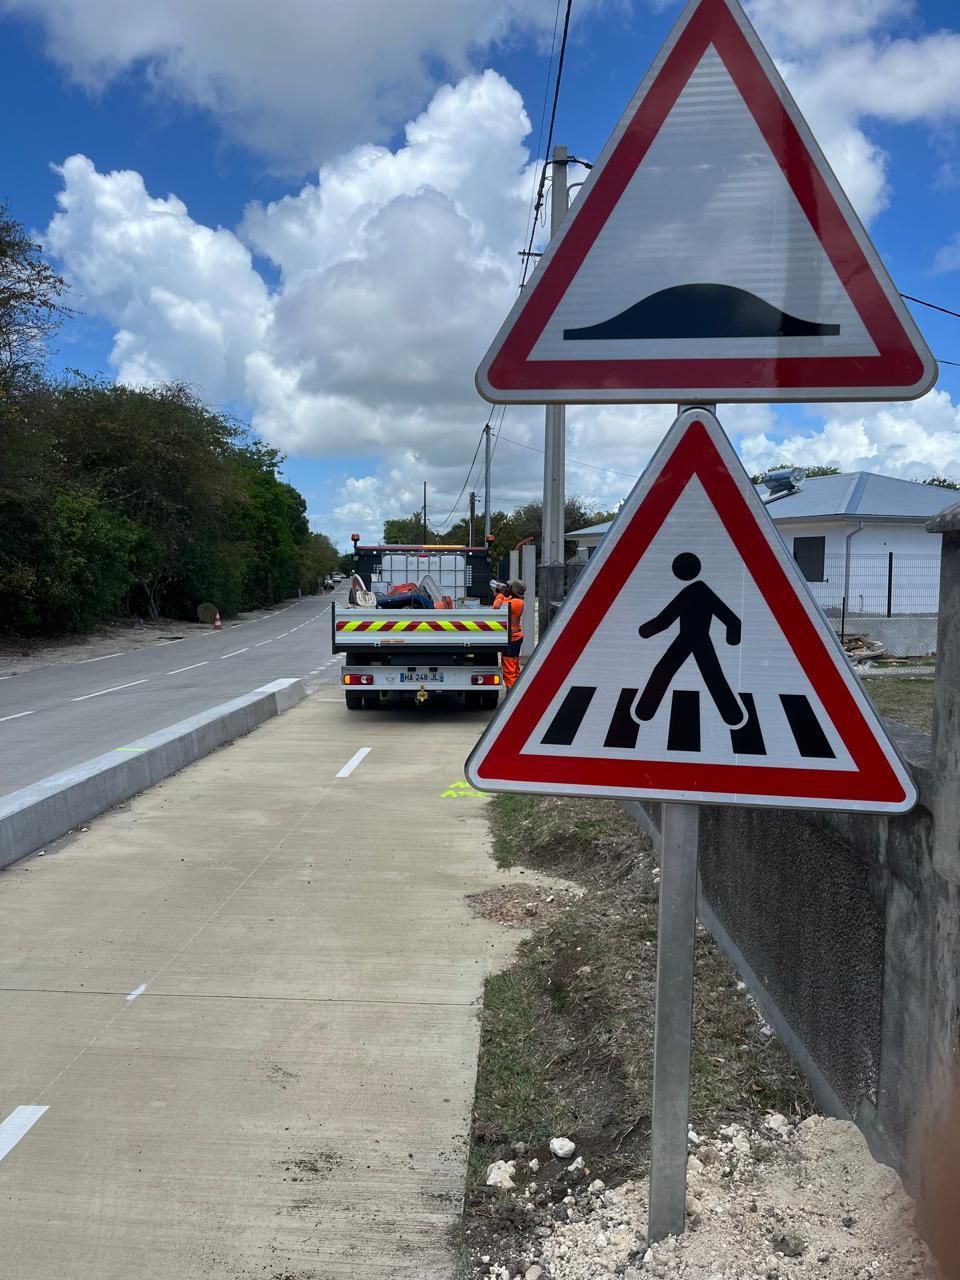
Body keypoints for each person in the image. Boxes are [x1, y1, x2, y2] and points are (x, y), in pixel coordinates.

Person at [491, 578, 526, 690]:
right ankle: (518, 689)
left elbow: (497, 607)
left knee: (509, 669)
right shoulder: (516, 600)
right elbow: (506, 601)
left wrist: (500, 594)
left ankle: (511, 693)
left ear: (514, 590)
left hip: (512, 640)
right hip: (515, 638)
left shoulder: (515, 603)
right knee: (514, 667)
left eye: (509, 587)